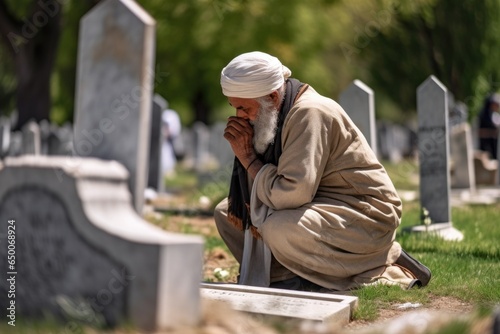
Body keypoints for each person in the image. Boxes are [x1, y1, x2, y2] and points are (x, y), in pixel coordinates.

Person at [213, 51, 431, 292]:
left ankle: (377, 262)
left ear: (273, 97)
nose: (239, 117)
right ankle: (284, 278)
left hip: (365, 214)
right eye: (235, 107)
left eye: (245, 108)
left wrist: (248, 158)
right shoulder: (274, 112)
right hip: (320, 207)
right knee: (227, 214)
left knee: (279, 228)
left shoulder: (309, 113)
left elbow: (292, 194)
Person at [477, 93, 500, 160]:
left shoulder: (493, 115)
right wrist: (493, 133)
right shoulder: (484, 116)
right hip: (486, 146)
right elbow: (480, 132)